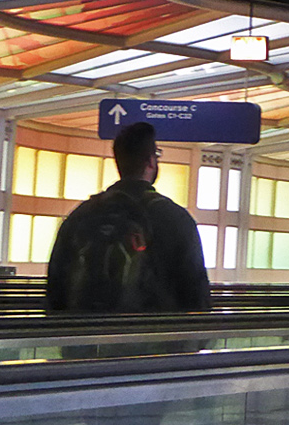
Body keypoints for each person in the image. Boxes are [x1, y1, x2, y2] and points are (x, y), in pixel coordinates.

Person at [46, 122, 210, 313]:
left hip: (85, 336)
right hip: (155, 337)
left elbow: (55, 289)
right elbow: (197, 296)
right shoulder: (176, 219)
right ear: (150, 161)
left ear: (119, 162)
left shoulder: (80, 215)